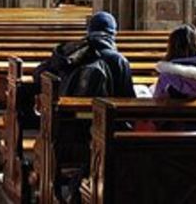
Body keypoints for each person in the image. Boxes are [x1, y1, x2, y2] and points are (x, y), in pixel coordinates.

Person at [27, 11, 134, 202]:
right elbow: (129, 102)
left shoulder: (71, 53)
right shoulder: (118, 60)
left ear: (88, 30)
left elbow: (39, 74)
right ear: (113, 33)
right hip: (105, 135)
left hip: (66, 132)